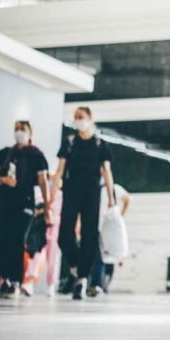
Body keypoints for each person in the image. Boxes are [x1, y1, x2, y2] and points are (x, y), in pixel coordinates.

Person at [51, 107, 115, 300]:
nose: (79, 120)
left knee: (89, 235)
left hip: (92, 193)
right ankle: (75, 266)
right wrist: (52, 195)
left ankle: (82, 278)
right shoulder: (69, 142)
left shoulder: (100, 144)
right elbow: (59, 170)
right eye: (76, 117)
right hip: (71, 190)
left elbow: (107, 173)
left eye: (82, 117)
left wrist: (111, 198)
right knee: (64, 235)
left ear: (90, 118)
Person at [0, 120, 51, 299]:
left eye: (22, 129)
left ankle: (15, 280)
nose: (19, 132)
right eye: (16, 129)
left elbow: (43, 183)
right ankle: (5, 278)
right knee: (1, 240)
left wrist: (47, 207)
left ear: (30, 132)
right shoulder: (4, 153)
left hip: (24, 203)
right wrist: (3, 181)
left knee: (17, 241)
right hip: (3, 202)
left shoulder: (37, 156)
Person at [88, 183, 131, 297]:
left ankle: (103, 285)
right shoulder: (94, 188)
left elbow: (127, 199)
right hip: (97, 227)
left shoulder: (115, 188)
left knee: (110, 256)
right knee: (99, 257)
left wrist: (121, 215)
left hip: (110, 227)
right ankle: (96, 285)